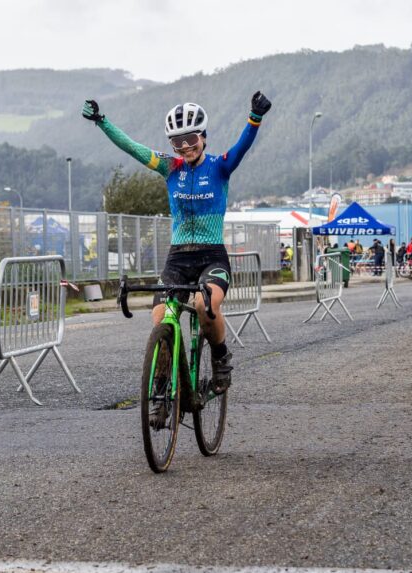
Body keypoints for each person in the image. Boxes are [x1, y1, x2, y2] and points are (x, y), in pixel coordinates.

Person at [82, 91, 272, 394]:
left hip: (212, 257)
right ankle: (161, 382)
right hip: (178, 258)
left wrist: (255, 118)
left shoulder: (220, 167)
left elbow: (242, 147)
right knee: (161, 315)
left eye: (191, 139)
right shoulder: (170, 167)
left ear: (204, 137)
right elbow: (133, 148)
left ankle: (221, 359)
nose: (185, 147)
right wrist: (102, 122)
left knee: (203, 305)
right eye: (177, 142)